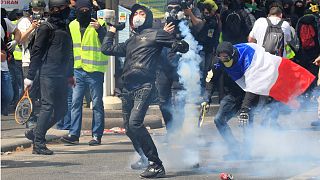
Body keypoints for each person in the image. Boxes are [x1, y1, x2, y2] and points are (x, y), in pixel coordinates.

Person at [101, 4, 189, 179]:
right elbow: (106, 49)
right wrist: (111, 30)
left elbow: (181, 46)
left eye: (141, 13)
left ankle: (156, 164)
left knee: (135, 123)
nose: (137, 16)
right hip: (127, 89)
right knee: (129, 128)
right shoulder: (131, 41)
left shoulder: (156, 34)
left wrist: (177, 44)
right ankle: (143, 157)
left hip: (145, 86)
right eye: (135, 14)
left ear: (147, 17)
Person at [203, 41, 315, 158]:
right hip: (233, 93)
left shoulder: (249, 58)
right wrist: (206, 98)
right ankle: (234, 148)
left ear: (233, 55)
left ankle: (247, 151)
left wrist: (244, 109)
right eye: (221, 58)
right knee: (219, 119)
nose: (224, 61)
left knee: (245, 119)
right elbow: (211, 78)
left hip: (252, 92)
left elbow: (253, 86)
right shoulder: (218, 62)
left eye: (226, 58)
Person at [24, 0, 73, 155]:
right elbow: (37, 52)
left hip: (62, 74)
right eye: (64, 8)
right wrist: (30, 77)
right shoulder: (47, 27)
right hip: (48, 74)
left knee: (62, 109)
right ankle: (38, 144)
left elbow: (68, 53)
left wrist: (70, 74)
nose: (67, 10)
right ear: (55, 9)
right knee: (48, 106)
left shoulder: (64, 26)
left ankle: (36, 131)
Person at [61, 0, 108, 146]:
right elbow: (70, 48)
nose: (84, 11)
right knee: (75, 102)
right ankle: (74, 134)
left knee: (97, 104)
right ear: (77, 9)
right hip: (78, 69)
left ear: (91, 9)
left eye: (86, 9)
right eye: (81, 9)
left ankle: (96, 135)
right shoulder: (72, 25)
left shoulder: (100, 23)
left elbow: (107, 42)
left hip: (95, 70)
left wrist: (100, 29)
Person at [1, 10, 22, 116]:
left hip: (4, 67)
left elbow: (18, 32)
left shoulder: (3, 22)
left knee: (9, 95)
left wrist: (15, 42)